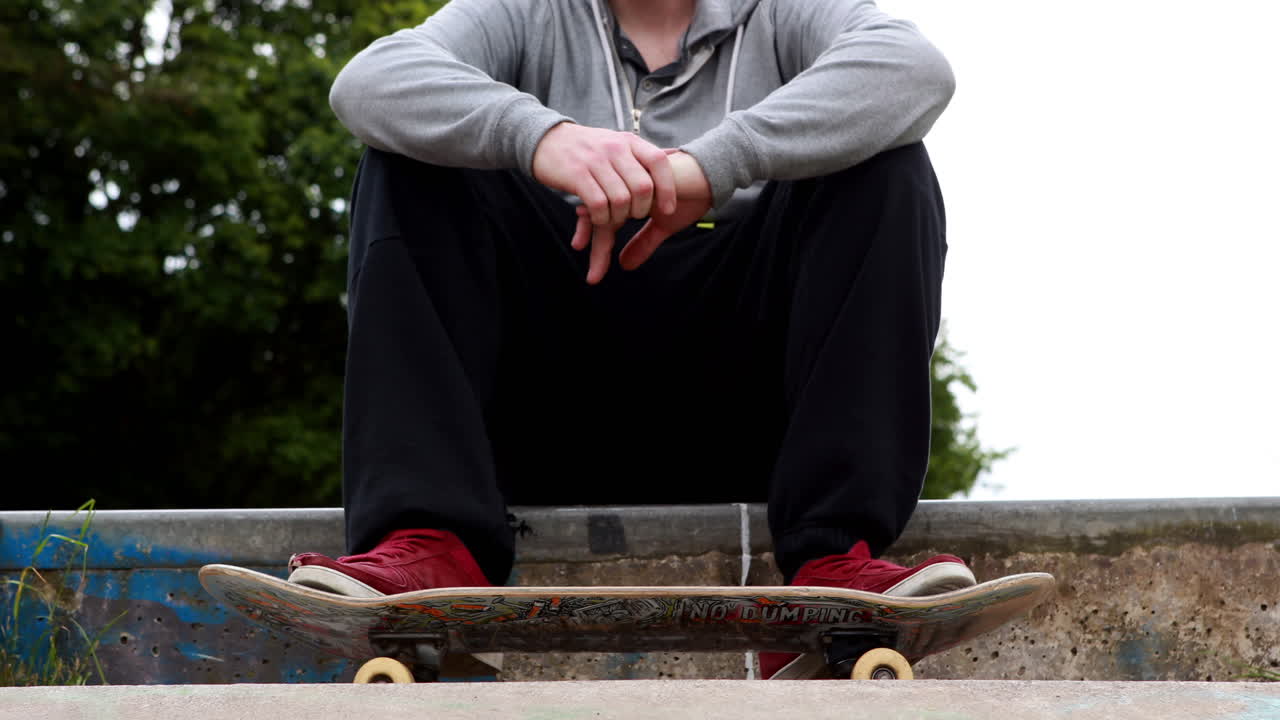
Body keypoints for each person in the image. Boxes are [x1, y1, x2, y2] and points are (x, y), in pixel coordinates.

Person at [287, 0, 976, 678]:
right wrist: (543, 136)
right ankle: (429, 541)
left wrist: (708, 167)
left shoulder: (788, 11)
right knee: (407, 157)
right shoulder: (525, 13)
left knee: (889, 164)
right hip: (544, 410)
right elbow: (370, 81)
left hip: (749, 416)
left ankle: (831, 562)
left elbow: (915, 69)